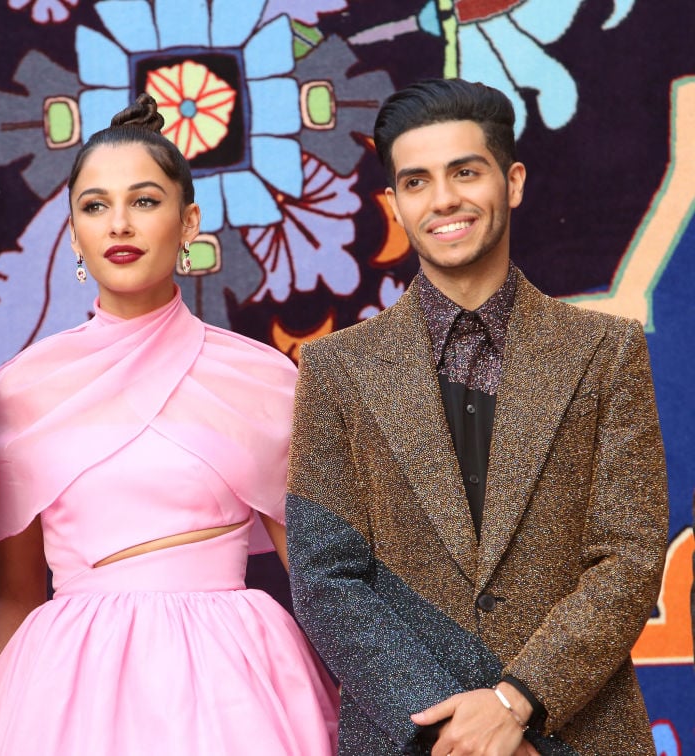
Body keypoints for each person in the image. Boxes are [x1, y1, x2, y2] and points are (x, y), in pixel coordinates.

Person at [285, 78, 668, 756]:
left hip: (581, 731)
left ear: (512, 181)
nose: (444, 200)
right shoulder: (335, 368)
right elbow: (324, 577)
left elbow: (629, 557)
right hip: (412, 739)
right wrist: (451, 728)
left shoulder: (607, 351)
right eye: (416, 181)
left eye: (465, 172)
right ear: (395, 204)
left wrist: (515, 703)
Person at [0, 93, 339, 754]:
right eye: (94, 206)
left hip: (239, 689)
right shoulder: (20, 391)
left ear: (190, 220)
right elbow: (13, 596)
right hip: (68, 697)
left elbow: (322, 582)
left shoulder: (267, 380)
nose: (119, 224)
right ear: (74, 231)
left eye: (144, 201)